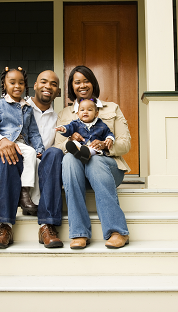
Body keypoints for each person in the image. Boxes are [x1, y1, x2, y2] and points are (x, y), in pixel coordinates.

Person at [55, 65, 131, 249]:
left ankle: (117, 230)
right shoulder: (65, 114)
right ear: (72, 87)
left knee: (95, 161)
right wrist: (71, 140)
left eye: (86, 80)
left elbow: (125, 143)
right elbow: (58, 146)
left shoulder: (111, 108)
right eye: (77, 82)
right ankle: (79, 233)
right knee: (68, 158)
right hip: (77, 171)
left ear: (93, 83)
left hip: (108, 168)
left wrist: (105, 145)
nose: (82, 85)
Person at [0, 70, 64, 249]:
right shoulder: (15, 105)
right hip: (16, 162)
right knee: (9, 153)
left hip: (42, 164)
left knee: (54, 153)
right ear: (35, 86)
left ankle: (47, 225)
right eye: (43, 82)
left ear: (58, 91)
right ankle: (5, 226)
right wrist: (2, 140)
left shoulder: (58, 118)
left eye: (53, 84)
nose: (48, 87)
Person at [55, 97, 115, 164]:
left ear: (96, 114)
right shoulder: (75, 123)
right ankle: (77, 152)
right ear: (78, 114)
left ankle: (87, 155)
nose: (85, 112)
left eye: (89, 110)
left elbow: (108, 133)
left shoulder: (101, 125)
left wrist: (109, 139)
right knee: (74, 143)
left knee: (94, 149)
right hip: (81, 146)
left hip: (93, 147)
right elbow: (69, 128)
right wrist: (63, 129)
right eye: (82, 110)